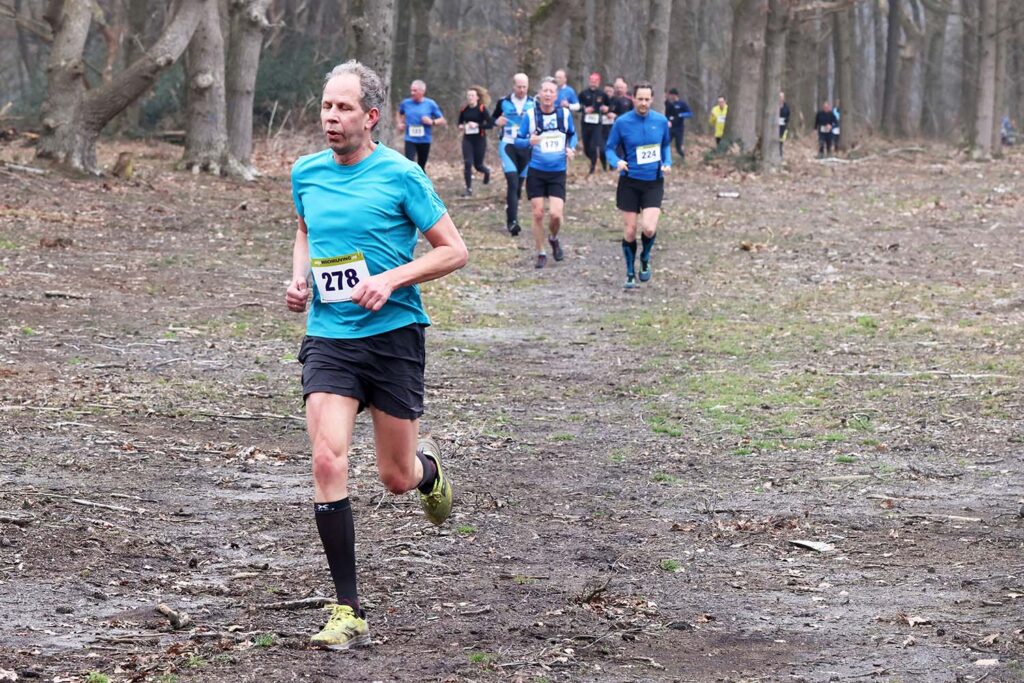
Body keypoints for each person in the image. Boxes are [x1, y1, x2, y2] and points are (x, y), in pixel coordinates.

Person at [287, 59, 468, 650]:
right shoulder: (306, 173)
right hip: (331, 337)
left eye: (342, 108)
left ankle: (427, 472)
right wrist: (299, 280)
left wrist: (391, 280)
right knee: (327, 460)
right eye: (325, 106)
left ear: (370, 117)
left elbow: (453, 251)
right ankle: (348, 608)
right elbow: (306, 230)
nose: (330, 118)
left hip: (393, 339)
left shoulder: (401, 176)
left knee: (394, 476)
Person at [605, 82, 671, 289]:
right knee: (631, 231)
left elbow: (666, 145)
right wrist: (617, 161)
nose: (643, 103)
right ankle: (630, 272)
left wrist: (667, 162)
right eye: (639, 99)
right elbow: (609, 148)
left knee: (649, 229)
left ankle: (645, 258)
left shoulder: (660, 121)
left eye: (647, 99)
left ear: (652, 99)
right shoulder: (622, 123)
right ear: (633, 99)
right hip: (630, 183)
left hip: (653, 182)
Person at [515, 76, 577, 269]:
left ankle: (553, 237)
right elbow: (518, 141)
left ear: (556, 96)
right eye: (545, 91)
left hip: (558, 171)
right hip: (536, 171)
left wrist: (571, 148)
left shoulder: (565, 115)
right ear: (539, 94)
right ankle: (541, 252)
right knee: (538, 213)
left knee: (556, 215)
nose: (548, 94)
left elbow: (572, 135)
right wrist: (528, 142)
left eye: (552, 91)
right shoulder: (530, 115)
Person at [492, 73, 535, 236]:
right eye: (519, 87)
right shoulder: (503, 102)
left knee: (518, 187)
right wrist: (497, 122)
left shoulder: (534, 103)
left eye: (525, 86)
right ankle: (512, 222)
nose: (522, 90)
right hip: (508, 145)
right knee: (512, 182)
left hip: (526, 147)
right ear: (513, 86)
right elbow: (491, 119)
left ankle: (512, 209)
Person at [397, 79, 446, 170]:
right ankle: (410, 183)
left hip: (424, 140)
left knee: (421, 166)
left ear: (422, 91)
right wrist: (400, 123)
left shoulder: (430, 104)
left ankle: (421, 183)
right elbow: (400, 113)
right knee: (409, 164)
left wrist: (432, 122)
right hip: (410, 138)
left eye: (415, 90)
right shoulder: (406, 103)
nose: (412, 93)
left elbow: (442, 120)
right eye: (411, 90)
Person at [457, 86, 493, 197]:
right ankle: (468, 189)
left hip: (480, 140)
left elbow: (490, 124)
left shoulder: (482, 109)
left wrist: (478, 125)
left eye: (472, 96)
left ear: (477, 97)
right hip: (467, 139)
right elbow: (459, 123)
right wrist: (461, 126)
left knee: (478, 166)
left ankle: (487, 172)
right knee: (468, 163)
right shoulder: (464, 109)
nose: (470, 98)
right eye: (468, 96)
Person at [579, 72, 609, 175]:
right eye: (591, 81)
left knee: (594, 146)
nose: (593, 83)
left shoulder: (602, 94)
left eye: (595, 82)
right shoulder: (583, 93)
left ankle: (593, 167)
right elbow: (578, 106)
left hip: (597, 124)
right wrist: (584, 109)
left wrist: (606, 109)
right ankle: (593, 161)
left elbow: (609, 106)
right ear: (589, 81)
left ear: (598, 82)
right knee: (587, 148)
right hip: (586, 124)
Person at [664, 87, 692, 161]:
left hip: (679, 128)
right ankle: (665, 158)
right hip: (670, 127)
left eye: (672, 95)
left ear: (676, 95)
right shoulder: (669, 104)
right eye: (670, 95)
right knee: (666, 142)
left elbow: (690, 113)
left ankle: (683, 158)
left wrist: (681, 115)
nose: (671, 97)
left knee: (678, 146)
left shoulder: (682, 103)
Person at [600, 83, 616, 171]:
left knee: (612, 148)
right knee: (602, 149)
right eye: (606, 91)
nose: (608, 93)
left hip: (613, 128)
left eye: (610, 91)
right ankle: (604, 166)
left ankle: (612, 166)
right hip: (601, 128)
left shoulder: (616, 101)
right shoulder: (600, 100)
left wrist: (613, 114)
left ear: (613, 92)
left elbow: (622, 114)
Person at [778, 91, 791, 158]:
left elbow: (788, 115)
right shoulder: (775, 106)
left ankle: (781, 154)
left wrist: (786, 121)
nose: (780, 98)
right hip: (775, 126)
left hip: (783, 126)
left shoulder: (786, 107)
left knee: (781, 141)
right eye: (779, 97)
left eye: (782, 97)